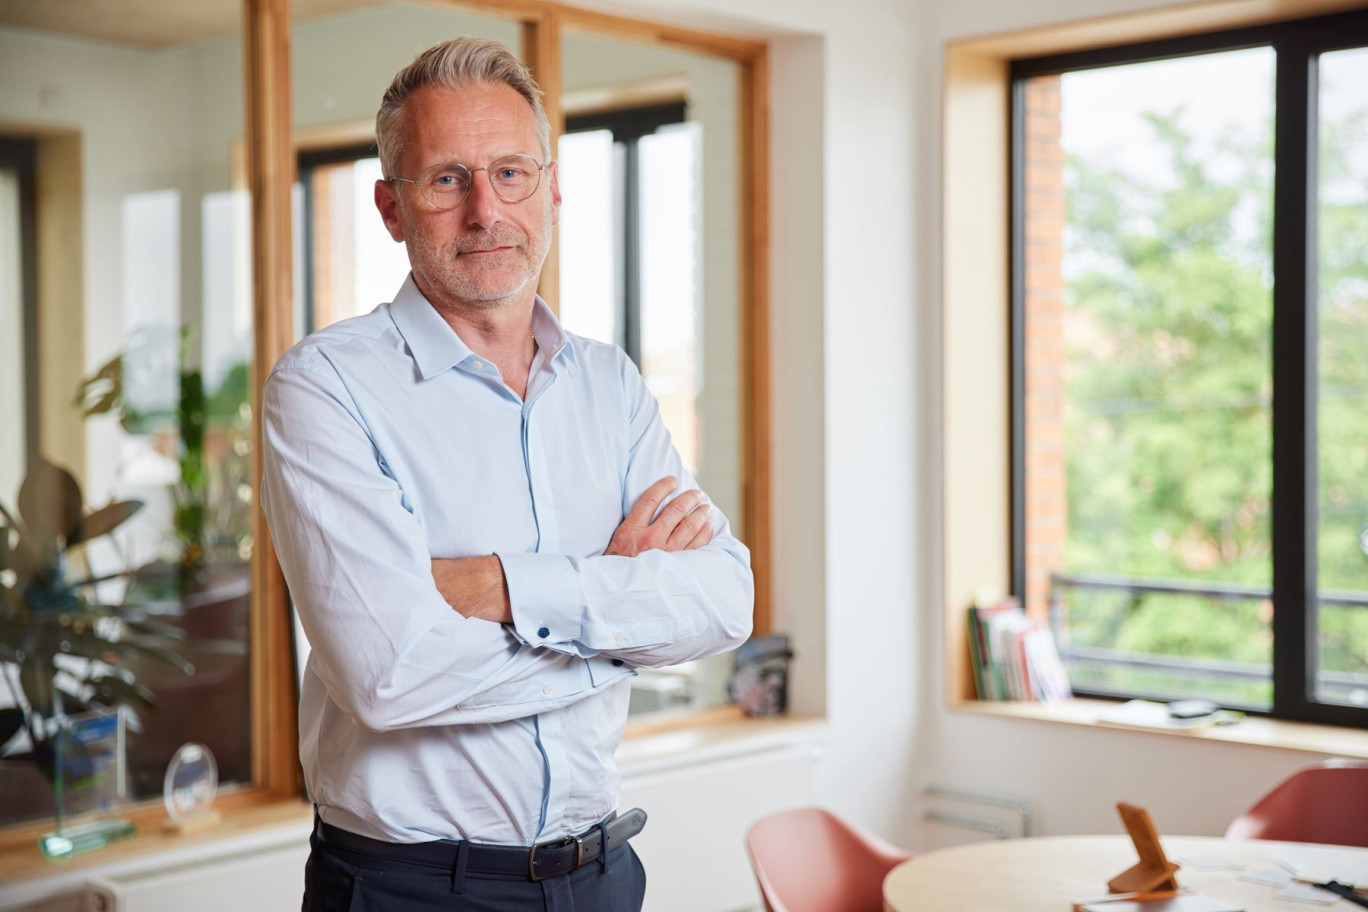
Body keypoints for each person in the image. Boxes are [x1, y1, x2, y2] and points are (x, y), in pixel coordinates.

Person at [260, 37, 753, 912]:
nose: (486, 210)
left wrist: (501, 587)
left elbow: (724, 601)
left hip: (602, 876)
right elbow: (392, 673)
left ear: (554, 190)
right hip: (411, 889)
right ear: (391, 205)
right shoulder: (325, 388)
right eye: (448, 179)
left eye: (512, 174)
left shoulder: (609, 384)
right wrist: (619, 619)